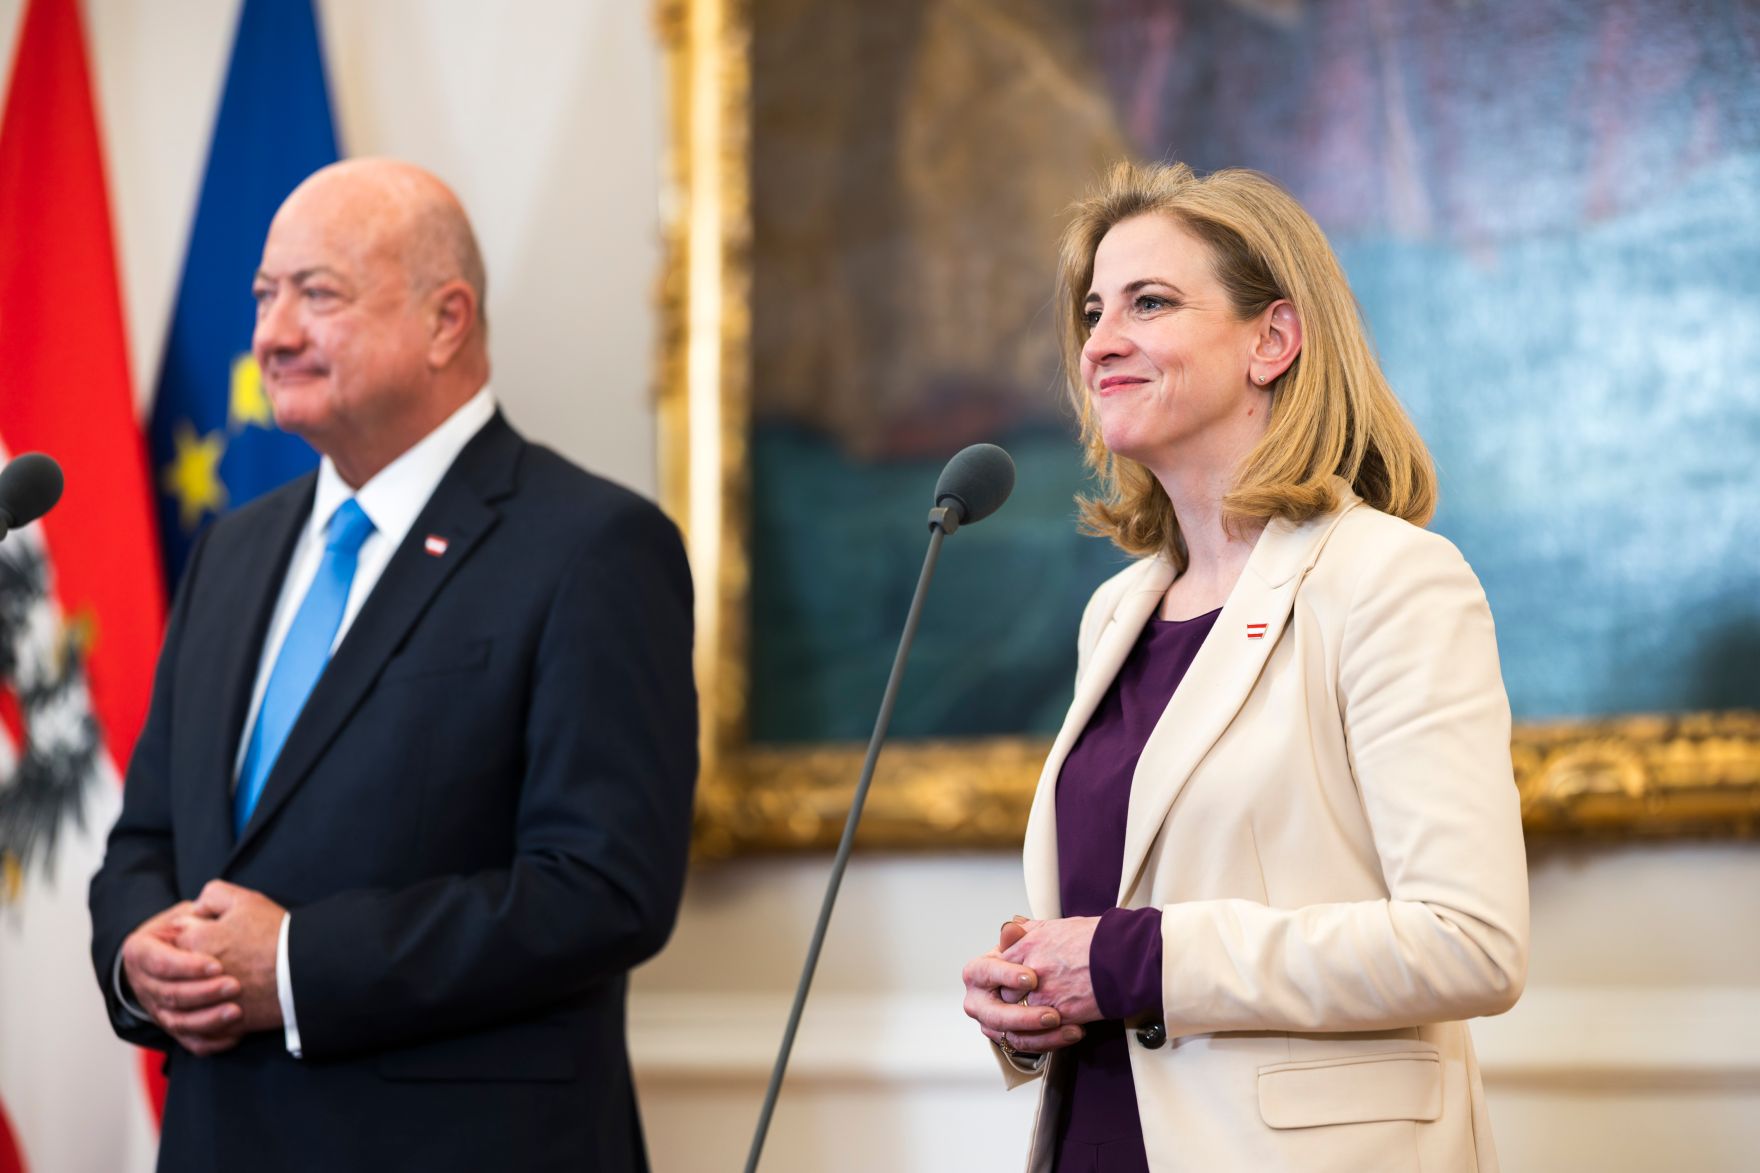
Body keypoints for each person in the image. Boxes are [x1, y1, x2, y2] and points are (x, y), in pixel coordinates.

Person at [88, 159, 697, 1172]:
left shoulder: (592, 546)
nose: (272, 334)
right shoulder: (232, 553)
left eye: (316, 294)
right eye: (263, 296)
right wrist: (138, 955)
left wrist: (292, 966)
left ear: (445, 320)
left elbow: (603, 886)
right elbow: (145, 833)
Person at [960, 160, 1528, 1172]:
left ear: (1272, 339)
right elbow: (1113, 940)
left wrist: (1130, 960)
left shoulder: (1388, 580)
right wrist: (1032, 999)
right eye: (1093, 312)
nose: (1100, 342)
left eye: (1148, 303)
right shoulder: (1117, 612)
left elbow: (1467, 941)